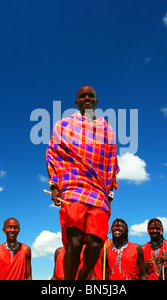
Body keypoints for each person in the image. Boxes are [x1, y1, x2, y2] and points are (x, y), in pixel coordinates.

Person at [46, 85, 119, 280]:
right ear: (76, 102)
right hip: (72, 188)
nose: (87, 98)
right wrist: (54, 186)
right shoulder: (63, 125)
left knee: (96, 243)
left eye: (91, 96)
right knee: (75, 242)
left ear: (96, 101)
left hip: (98, 191)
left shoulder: (108, 130)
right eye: (82, 96)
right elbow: (53, 155)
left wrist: (110, 194)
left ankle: (82, 277)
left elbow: (111, 163)